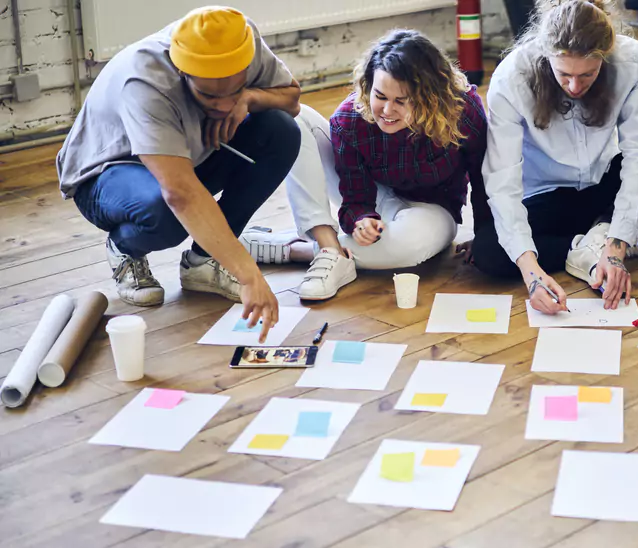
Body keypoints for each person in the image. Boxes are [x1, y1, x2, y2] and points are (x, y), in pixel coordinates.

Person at [57, 7, 301, 339]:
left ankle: (203, 263)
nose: (224, 106)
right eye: (210, 95)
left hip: (184, 156)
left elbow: (291, 98)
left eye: (233, 91)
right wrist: (248, 275)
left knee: (281, 131)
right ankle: (125, 248)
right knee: (166, 212)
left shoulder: (241, 42)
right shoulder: (145, 80)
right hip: (107, 174)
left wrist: (250, 97)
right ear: (181, 73)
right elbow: (180, 193)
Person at [237, 29, 491, 301]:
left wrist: (485, 235)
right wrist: (361, 220)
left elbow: (483, 177)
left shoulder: (462, 110)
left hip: (431, 209)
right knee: (293, 121)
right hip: (373, 193)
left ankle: (296, 249)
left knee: (410, 249)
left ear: (430, 97)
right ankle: (328, 247)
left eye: (401, 102)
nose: (386, 110)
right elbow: (355, 196)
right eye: (380, 96)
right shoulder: (350, 119)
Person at [471, 0, 638, 314]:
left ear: (605, 56)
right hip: (549, 198)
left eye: (588, 74)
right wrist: (531, 274)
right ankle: (588, 243)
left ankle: (609, 237)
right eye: (564, 74)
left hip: (605, 185)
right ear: (546, 55)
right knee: (489, 251)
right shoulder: (511, 79)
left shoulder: (632, 60)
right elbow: (502, 181)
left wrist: (614, 253)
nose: (574, 86)